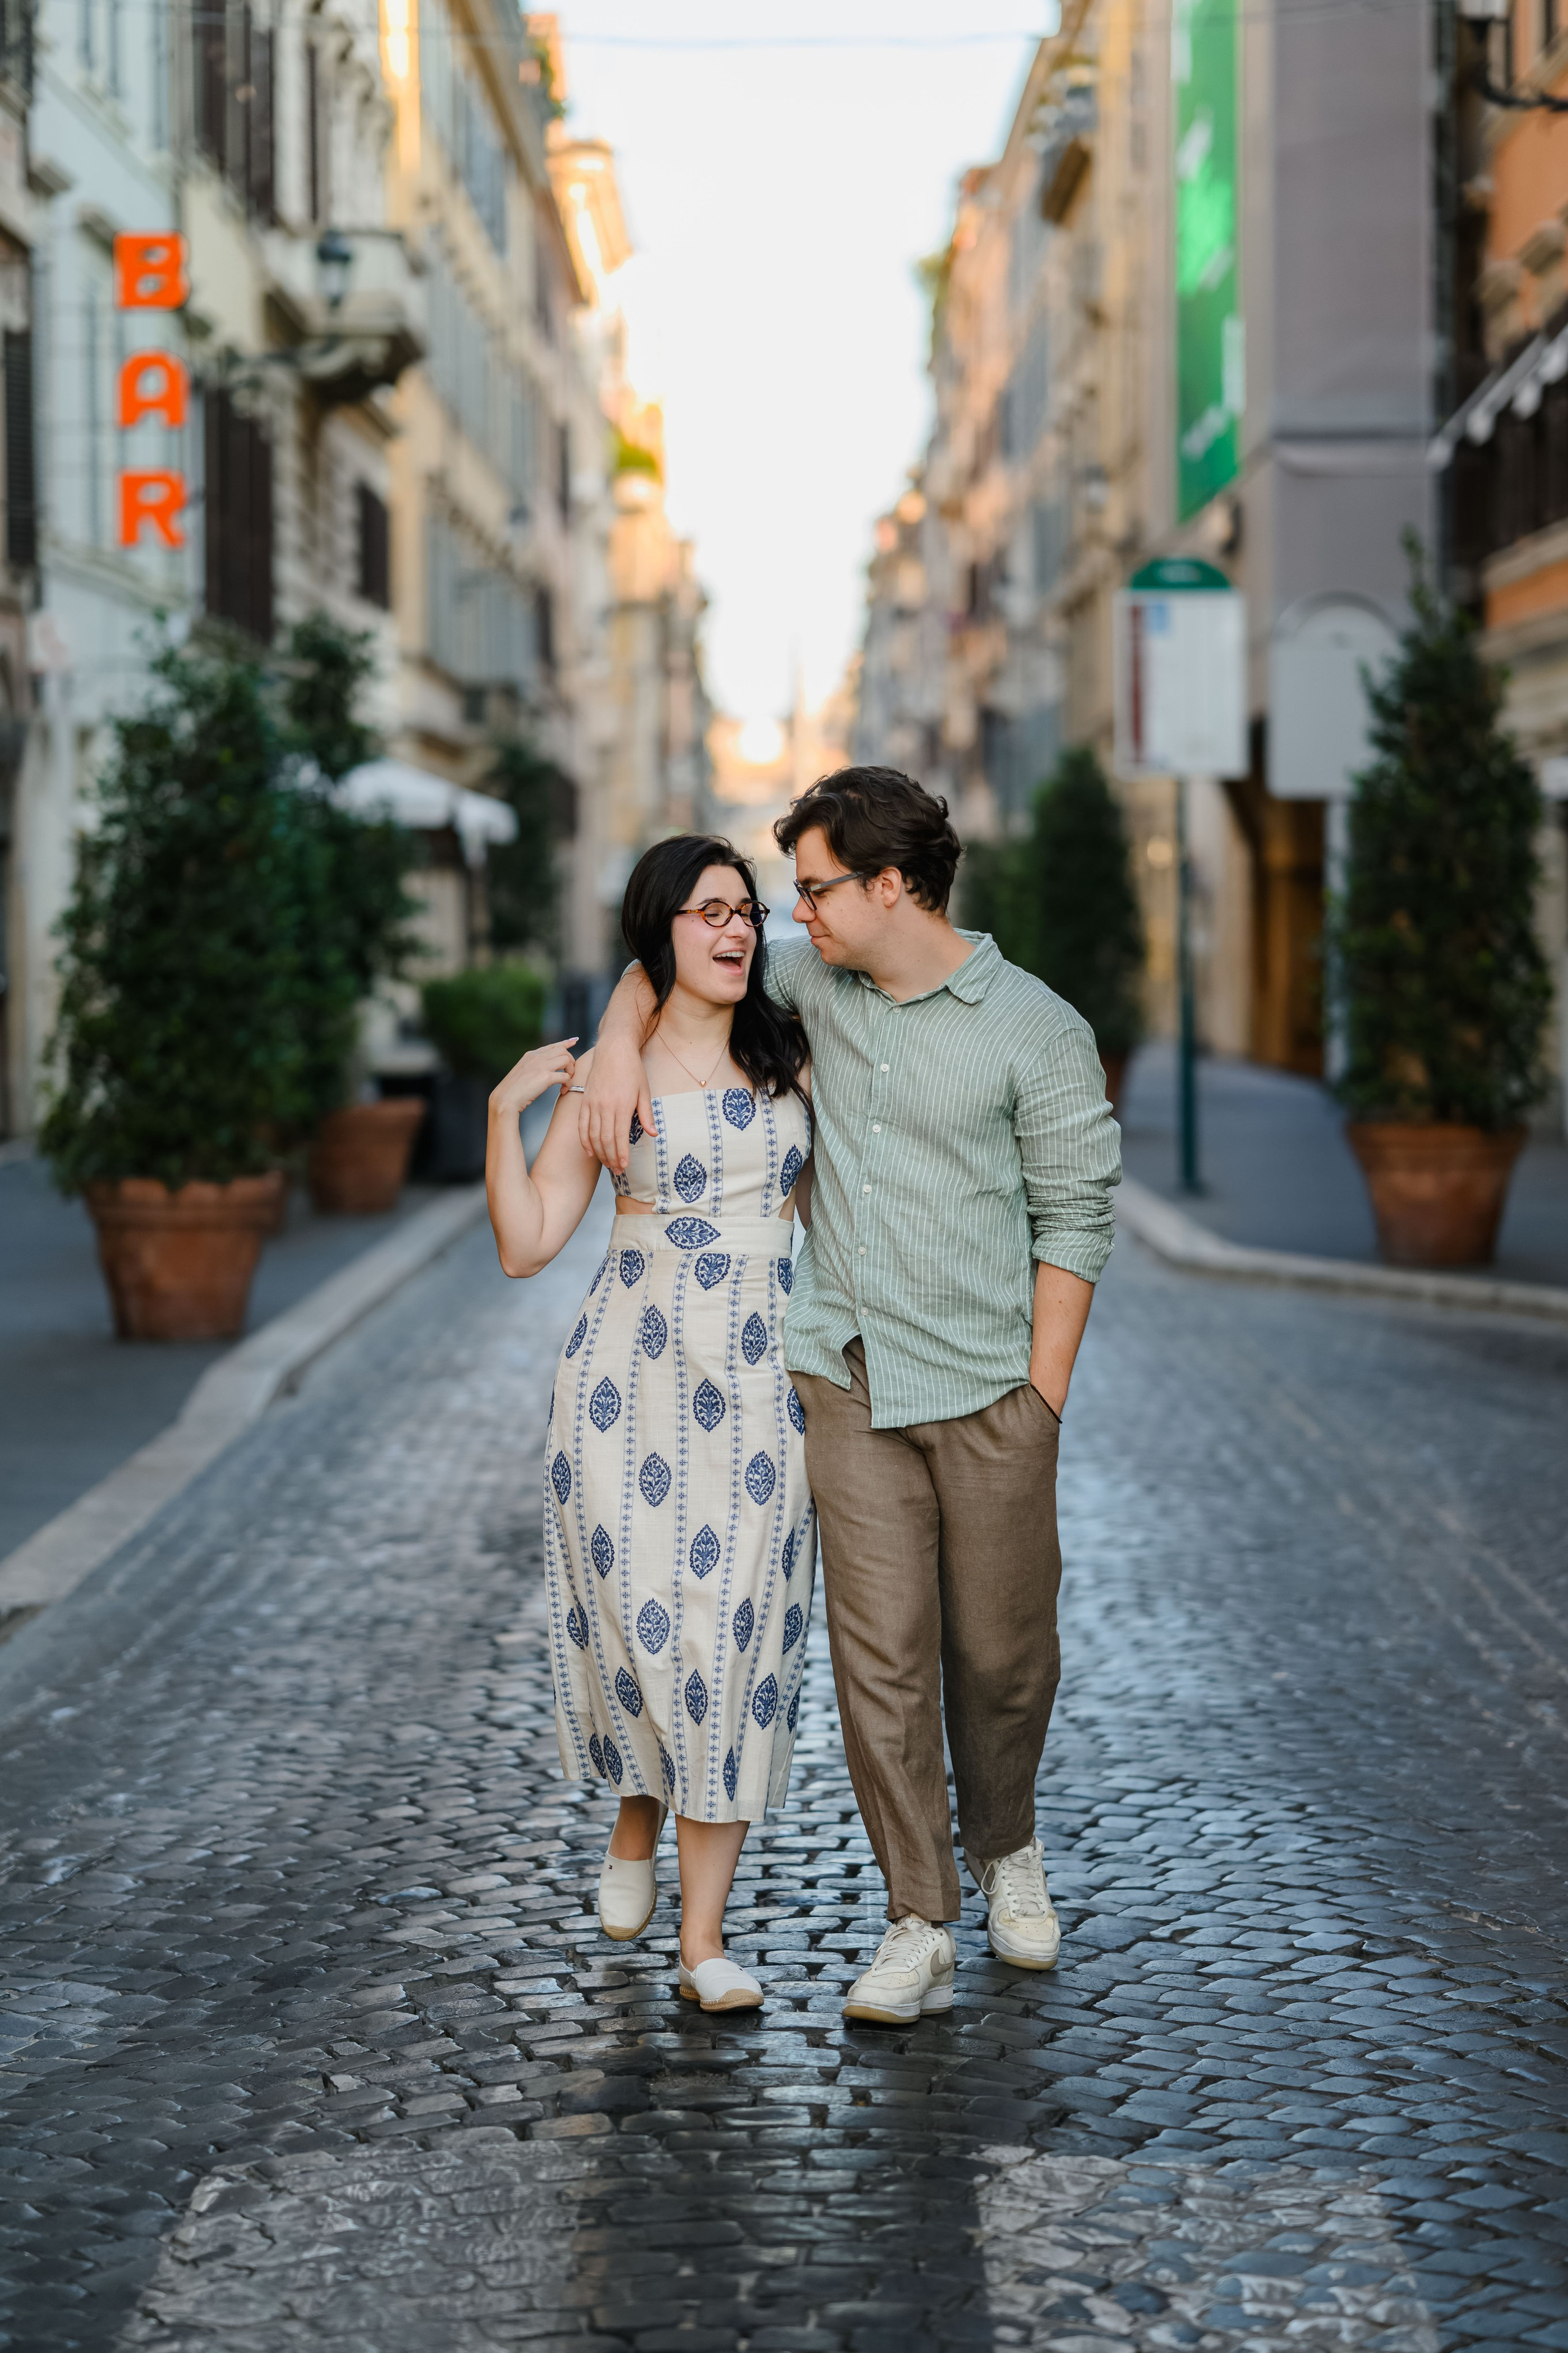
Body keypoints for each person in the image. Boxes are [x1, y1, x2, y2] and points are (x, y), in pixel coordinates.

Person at [581, 766, 1120, 2025]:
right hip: (842, 1377)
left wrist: (1039, 1399)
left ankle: (1007, 1844)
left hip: (990, 1388)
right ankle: (914, 1918)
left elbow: (1075, 1218)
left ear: (891, 886)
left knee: (998, 1658)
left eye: (813, 889)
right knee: (877, 1665)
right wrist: (613, 1042)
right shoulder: (808, 985)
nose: (790, 917)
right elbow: (661, 960)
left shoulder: (1034, 1028)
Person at [485, 834, 815, 2014]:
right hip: (628, 1378)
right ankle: (637, 1807)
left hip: (766, 1383)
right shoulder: (607, 1080)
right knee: (644, 1625)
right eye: (707, 911)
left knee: (736, 1639)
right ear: (659, 930)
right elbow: (528, 1244)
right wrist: (500, 1112)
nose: (735, 930)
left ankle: (703, 1938)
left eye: (747, 910)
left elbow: (839, 1218)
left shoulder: (793, 1053)